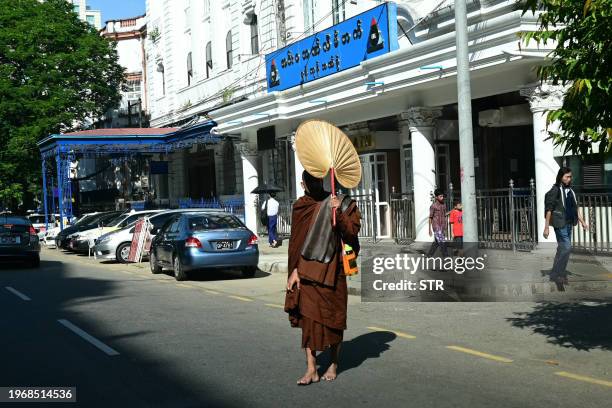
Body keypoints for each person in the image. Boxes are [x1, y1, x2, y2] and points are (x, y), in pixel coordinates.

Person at [285, 170, 361, 385]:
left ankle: (334, 363)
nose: (314, 184)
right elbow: (296, 243)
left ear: (323, 179)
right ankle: (311, 369)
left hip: (333, 270)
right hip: (306, 271)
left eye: (318, 180)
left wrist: (340, 212)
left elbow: (351, 233)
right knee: (307, 319)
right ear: (303, 184)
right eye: (310, 181)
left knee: (334, 319)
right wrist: (294, 271)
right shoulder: (301, 206)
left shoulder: (342, 202)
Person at [544, 167, 588, 288]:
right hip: (560, 224)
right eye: (566, 176)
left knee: (562, 249)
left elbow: (575, 208)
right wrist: (546, 227)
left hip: (569, 224)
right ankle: (559, 274)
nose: (569, 179)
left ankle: (556, 273)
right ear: (560, 177)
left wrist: (582, 222)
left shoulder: (571, 191)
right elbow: (549, 209)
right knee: (567, 248)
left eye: (570, 176)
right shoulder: (555, 190)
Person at [427, 189, 449, 258]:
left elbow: (445, 214)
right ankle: (446, 256)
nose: (442, 198)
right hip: (436, 226)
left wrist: (445, 225)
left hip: (442, 225)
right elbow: (430, 217)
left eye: (442, 196)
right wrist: (429, 229)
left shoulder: (444, 205)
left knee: (437, 242)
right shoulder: (433, 206)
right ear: (436, 197)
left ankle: (429, 255)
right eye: (440, 196)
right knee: (442, 241)